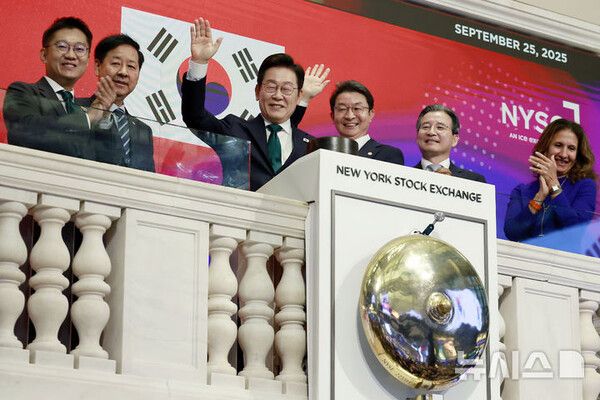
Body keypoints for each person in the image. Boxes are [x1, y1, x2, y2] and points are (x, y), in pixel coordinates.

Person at [181, 18, 329, 191]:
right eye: (271, 87)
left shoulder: (310, 146)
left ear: (299, 97)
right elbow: (195, 117)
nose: (278, 95)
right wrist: (199, 63)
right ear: (258, 91)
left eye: (286, 89)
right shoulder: (235, 130)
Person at [3, 17, 115, 160]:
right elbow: (26, 132)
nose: (71, 55)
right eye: (62, 46)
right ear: (44, 54)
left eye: (79, 49)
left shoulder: (84, 108)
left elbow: (106, 160)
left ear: (88, 60)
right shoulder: (21, 92)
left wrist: (104, 118)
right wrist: (89, 118)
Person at [504, 119, 597, 241]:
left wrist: (554, 185)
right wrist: (539, 198)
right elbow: (512, 233)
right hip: (527, 253)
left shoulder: (585, 186)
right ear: (545, 148)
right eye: (558, 145)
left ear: (577, 155)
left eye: (571, 148)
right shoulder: (522, 191)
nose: (564, 154)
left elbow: (575, 231)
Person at [79, 34, 155, 172]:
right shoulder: (74, 108)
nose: (123, 72)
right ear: (97, 66)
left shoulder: (143, 131)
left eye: (131, 66)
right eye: (116, 64)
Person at [329, 80, 404, 164]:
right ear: (332, 116)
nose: (350, 116)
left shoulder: (388, 155)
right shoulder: (323, 153)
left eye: (357, 108)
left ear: (370, 114)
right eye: (342, 109)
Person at [414, 104, 486, 182]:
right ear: (417, 136)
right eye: (426, 127)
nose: (431, 132)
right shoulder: (405, 176)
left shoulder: (474, 181)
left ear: (454, 139)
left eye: (440, 127)